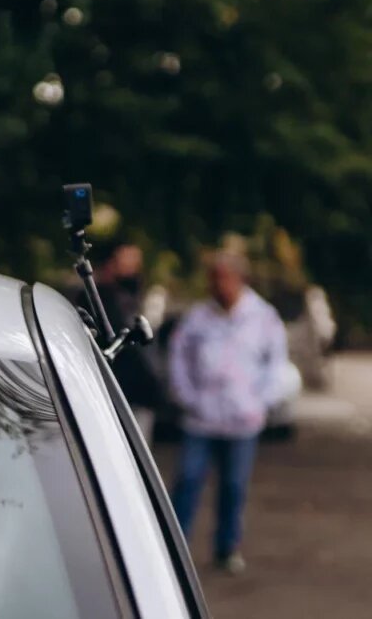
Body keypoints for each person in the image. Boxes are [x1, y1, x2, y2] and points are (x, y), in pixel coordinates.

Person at [168, 251, 290, 574]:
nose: (217, 286)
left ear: (239, 279)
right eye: (213, 279)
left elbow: (276, 365)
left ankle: (227, 547)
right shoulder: (198, 316)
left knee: (234, 486)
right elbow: (179, 358)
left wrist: (259, 402)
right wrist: (186, 396)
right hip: (200, 417)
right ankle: (174, 548)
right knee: (188, 480)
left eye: (223, 279)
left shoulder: (263, 317)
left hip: (242, 419)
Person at [78, 242, 164, 441]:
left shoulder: (137, 298)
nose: (132, 269)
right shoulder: (96, 300)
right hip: (109, 390)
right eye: (125, 262)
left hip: (139, 393)